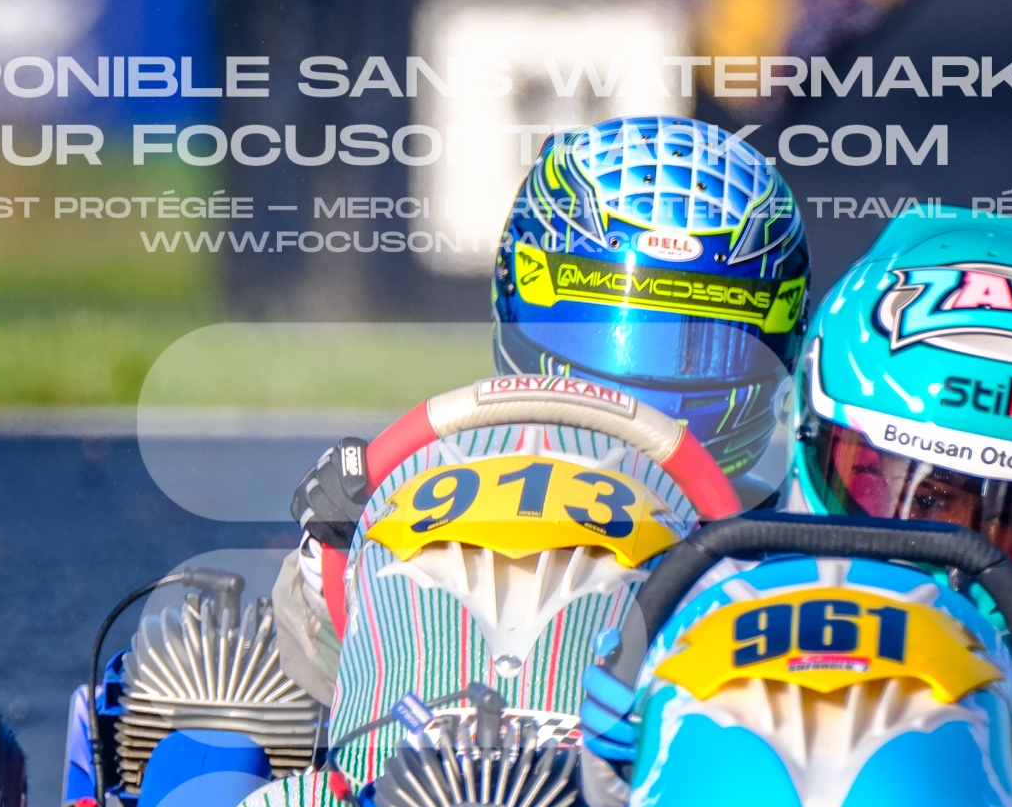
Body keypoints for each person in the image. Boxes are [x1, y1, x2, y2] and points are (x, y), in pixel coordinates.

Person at [583, 208, 1012, 807]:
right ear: (812, 431)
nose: (958, 548)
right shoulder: (702, 592)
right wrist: (607, 756)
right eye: (925, 497)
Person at [274, 115, 812, 700]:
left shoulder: (779, 546)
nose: (636, 384)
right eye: (594, 324)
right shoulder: (423, 490)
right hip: (423, 741)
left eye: (700, 344)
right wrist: (333, 562)